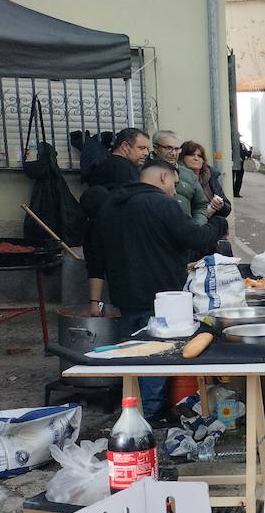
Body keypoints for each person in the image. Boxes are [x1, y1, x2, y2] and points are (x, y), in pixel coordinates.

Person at [95, 162, 228, 419]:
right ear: (164, 177)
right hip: (160, 295)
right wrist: (219, 224)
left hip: (124, 293)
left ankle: (131, 411)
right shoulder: (162, 204)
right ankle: (151, 416)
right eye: (174, 185)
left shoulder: (111, 205)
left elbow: (97, 252)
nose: (174, 191)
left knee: (131, 354)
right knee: (156, 356)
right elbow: (196, 238)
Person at [83, 127, 151, 307]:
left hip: (96, 227)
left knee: (96, 269)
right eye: (141, 148)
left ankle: (95, 306)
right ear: (125, 146)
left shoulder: (106, 164)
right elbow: (134, 201)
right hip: (117, 232)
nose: (145, 153)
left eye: (147, 149)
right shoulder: (123, 168)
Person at [153, 131, 221, 226]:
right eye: (168, 148)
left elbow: (200, 205)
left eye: (177, 149)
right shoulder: (143, 173)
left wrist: (197, 227)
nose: (173, 153)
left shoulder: (188, 175)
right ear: (156, 148)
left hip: (186, 234)